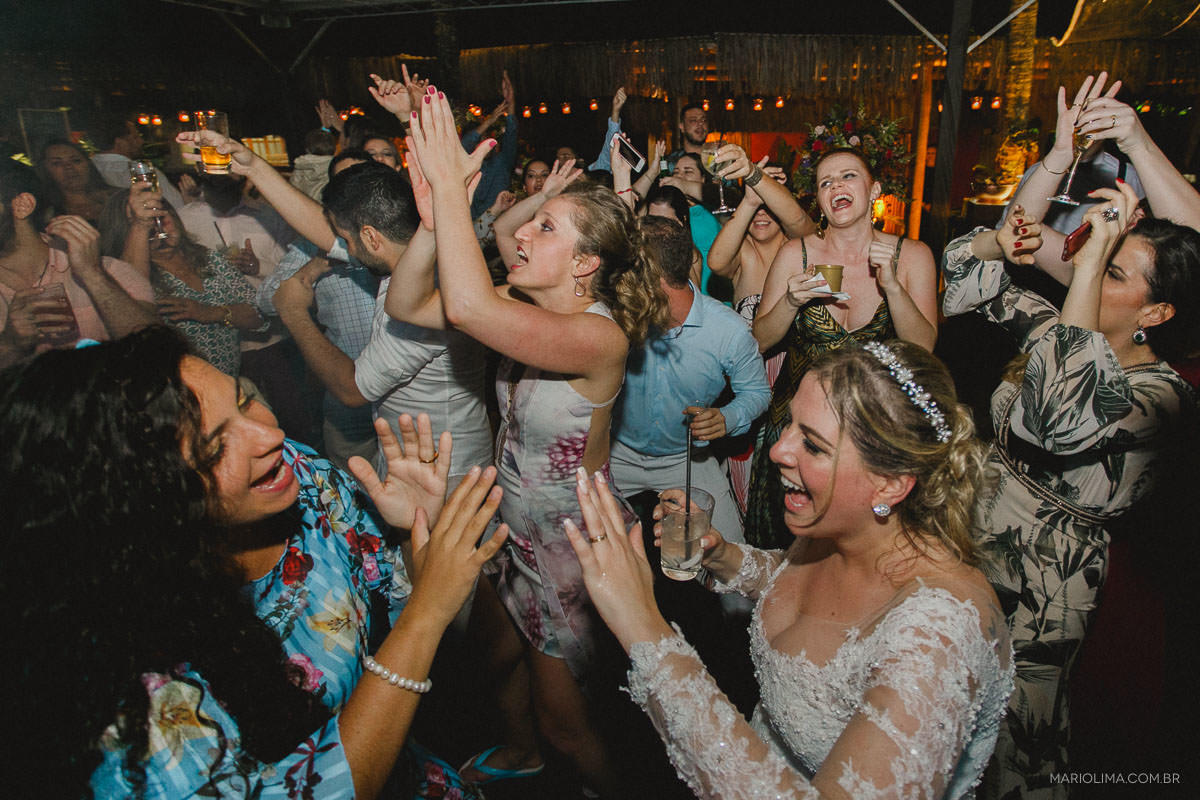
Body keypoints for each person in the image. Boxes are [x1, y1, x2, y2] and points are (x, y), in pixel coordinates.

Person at [0, 326, 508, 799]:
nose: (269, 437)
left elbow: (385, 607)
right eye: (217, 445)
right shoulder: (124, 692)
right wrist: (425, 620)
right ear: (140, 500)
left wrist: (411, 537)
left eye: (245, 399)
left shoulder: (299, 480)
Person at [565, 341, 1014, 799]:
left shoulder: (940, 636)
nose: (778, 450)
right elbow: (797, 580)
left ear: (891, 483)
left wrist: (642, 626)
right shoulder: (838, 526)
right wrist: (723, 555)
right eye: (789, 426)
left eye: (812, 445)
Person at [385, 88, 670, 797]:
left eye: (545, 228)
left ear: (585, 265)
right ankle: (519, 752)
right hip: (516, 531)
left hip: (571, 551)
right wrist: (430, 221)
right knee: (495, 660)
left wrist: (454, 187)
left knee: (570, 724)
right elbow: (407, 304)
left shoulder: (598, 336)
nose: (520, 235)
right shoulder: (522, 306)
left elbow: (465, 303)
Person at [942, 183, 1200, 799]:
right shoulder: (1057, 333)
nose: (1088, 271)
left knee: (1010, 743)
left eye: (1111, 272)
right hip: (970, 535)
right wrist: (996, 241)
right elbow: (962, 280)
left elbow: (1058, 418)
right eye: (1097, 264)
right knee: (939, 707)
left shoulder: (1164, 399)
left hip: (1043, 581)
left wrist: (1082, 268)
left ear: (1156, 313)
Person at [744, 146, 938, 548]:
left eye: (848, 176)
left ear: (874, 189)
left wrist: (893, 288)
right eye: (825, 182)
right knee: (786, 552)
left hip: (869, 434)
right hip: (795, 429)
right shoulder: (795, 253)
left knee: (857, 554)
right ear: (818, 199)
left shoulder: (911, 255)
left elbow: (923, 349)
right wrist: (791, 302)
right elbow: (759, 341)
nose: (836, 187)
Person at [609, 214, 768, 546]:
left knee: (734, 560)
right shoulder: (614, 317)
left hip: (685, 458)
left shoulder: (727, 331)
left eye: (627, 271)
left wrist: (728, 417)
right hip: (616, 454)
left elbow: (756, 392)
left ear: (651, 278)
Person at [1004, 72, 1200, 286]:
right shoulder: (1088, 268)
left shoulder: (1097, 277)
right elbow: (1018, 229)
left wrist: (1138, 144)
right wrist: (1061, 154)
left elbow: (1190, 240)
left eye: (1117, 274)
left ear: (1155, 311)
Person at [0, 159, 155, 368]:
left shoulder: (107, 270)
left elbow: (155, 350)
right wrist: (11, 345)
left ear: (22, 205)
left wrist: (93, 274)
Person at [100, 188, 267, 376]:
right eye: (147, 225)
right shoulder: (128, 278)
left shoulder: (208, 259)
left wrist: (210, 312)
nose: (159, 230)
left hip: (227, 383)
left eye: (161, 218)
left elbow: (259, 316)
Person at [89, 112, 187, 210]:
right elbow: (176, 207)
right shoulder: (140, 171)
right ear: (119, 142)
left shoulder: (88, 168)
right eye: (136, 137)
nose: (141, 142)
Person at [35, 138, 118, 226]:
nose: (68, 167)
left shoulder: (120, 200)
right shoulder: (47, 216)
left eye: (75, 160)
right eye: (57, 163)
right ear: (46, 171)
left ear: (88, 164)